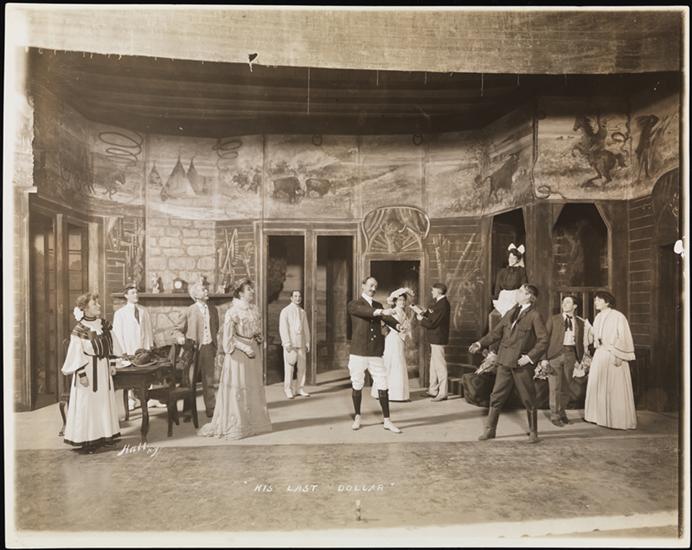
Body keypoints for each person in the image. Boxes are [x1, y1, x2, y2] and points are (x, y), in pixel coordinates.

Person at [469, 283, 548, 443]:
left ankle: (533, 432)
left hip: (521, 364)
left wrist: (529, 358)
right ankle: (490, 430)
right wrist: (480, 343)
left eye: (521, 291)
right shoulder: (511, 312)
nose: (517, 293)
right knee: (496, 396)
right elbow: (495, 333)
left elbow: (543, 340)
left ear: (529, 296)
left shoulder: (535, 315)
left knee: (528, 398)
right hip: (504, 361)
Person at [199, 279, 272, 440]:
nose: (252, 291)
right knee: (239, 388)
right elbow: (228, 340)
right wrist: (245, 348)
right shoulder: (232, 312)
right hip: (238, 354)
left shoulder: (254, 310)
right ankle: (238, 425)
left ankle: (254, 423)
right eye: (248, 289)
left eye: (252, 289)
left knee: (252, 386)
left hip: (253, 352)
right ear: (240, 293)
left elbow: (254, 330)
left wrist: (258, 338)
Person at [61, 292, 120, 454]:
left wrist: (112, 363)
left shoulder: (104, 324)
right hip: (87, 370)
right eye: (95, 304)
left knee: (103, 403)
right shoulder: (79, 329)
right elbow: (76, 353)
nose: (99, 306)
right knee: (87, 405)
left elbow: (112, 344)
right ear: (85, 308)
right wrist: (81, 374)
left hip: (103, 369)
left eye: (97, 303)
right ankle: (87, 441)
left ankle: (104, 436)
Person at [348, 276, 402, 433]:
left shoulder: (378, 305)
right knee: (357, 384)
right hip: (358, 352)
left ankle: (387, 420)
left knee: (383, 384)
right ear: (363, 285)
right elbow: (368, 312)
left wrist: (398, 325)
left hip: (375, 352)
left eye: (375, 286)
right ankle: (357, 416)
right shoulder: (354, 304)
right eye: (371, 285)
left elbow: (386, 317)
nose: (373, 289)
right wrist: (383, 311)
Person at [584, 291, 637, 430]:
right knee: (598, 384)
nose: (595, 302)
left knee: (615, 387)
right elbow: (597, 336)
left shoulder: (618, 316)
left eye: (598, 300)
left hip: (613, 354)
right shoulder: (598, 317)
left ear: (607, 302)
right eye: (595, 300)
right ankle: (598, 417)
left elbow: (623, 336)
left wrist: (620, 355)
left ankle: (616, 420)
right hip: (600, 354)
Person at [540, 295, 593, 427]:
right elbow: (544, 340)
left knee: (566, 387)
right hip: (554, 356)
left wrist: (581, 358)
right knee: (555, 387)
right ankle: (554, 415)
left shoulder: (580, 322)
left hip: (571, 356)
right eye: (563, 302)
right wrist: (544, 359)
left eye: (568, 302)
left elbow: (585, 340)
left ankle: (562, 413)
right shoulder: (553, 319)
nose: (564, 304)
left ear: (575, 306)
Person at [111, 283, 161, 410]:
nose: (136, 295)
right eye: (132, 293)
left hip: (143, 348)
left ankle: (150, 398)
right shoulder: (120, 314)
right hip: (129, 348)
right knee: (130, 375)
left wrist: (149, 346)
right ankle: (131, 400)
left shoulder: (144, 311)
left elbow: (148, 330)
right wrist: (122, 352)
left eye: (136, 292)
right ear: (126, 295)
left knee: (147, 372)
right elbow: (117, 335)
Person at [174, 281, 219, 418]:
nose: (206, 291)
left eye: (206, 289)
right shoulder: (189, 311)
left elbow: (215, 327)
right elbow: (177, 329)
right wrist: (180, 337)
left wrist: (212, 342)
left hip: (208, 347)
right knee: (189, 380)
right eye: (203, 290)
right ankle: (188, 411)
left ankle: (211, 408)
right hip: (193, 350)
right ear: (195, 295)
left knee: (209, 380)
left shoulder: (213, 309)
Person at [371, 288, 413, 402]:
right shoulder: (393, 312)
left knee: (398, 362)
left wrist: (406, 330)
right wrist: (402, 330)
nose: (402, 302)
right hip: (392, 339)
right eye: (400, 300)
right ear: (395, 301)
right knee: (391, 362)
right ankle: (383, 392)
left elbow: (407, 327)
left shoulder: (404, 313)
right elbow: (391, 325)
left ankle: (398, 394)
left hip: (399, 340)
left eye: (403, 300)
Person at [416, 283, 451, 401]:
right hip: (435, 338)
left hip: (438, 338)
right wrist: (424, 312)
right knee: (434, 366)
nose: (432, 292)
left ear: (439, 291)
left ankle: (443, 393)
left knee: (440, 366)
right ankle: (433, 390)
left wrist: (421, 320)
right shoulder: (439, 303)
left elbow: (433, 323)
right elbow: (433, 316)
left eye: (433, 290)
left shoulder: (443, 304)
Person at [279, 290, 311, 399]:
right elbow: (283, 328)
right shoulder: (285, 311)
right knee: (289, 368)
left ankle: (299, 388)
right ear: (291, 298)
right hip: (290, 344)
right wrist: (286, 343)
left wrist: (307, 342)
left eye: (299, 296)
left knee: (302, 368)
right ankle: (288, 389)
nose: (298, 298)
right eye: (295, 296)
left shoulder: (302, 312)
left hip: (301, 343)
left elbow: (306, 328)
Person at [489, 244, 529, 331]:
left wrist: (522, 298)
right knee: (502, 315)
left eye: (514, 258)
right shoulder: (502, 271)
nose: (511, 260)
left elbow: (523, 285)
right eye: (510, 257)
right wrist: (496, 298)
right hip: (504, 296)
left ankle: (511, 332)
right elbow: (497, 286)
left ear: (518, 259)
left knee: (512, 315)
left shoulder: (521, 271)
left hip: (515, 295)